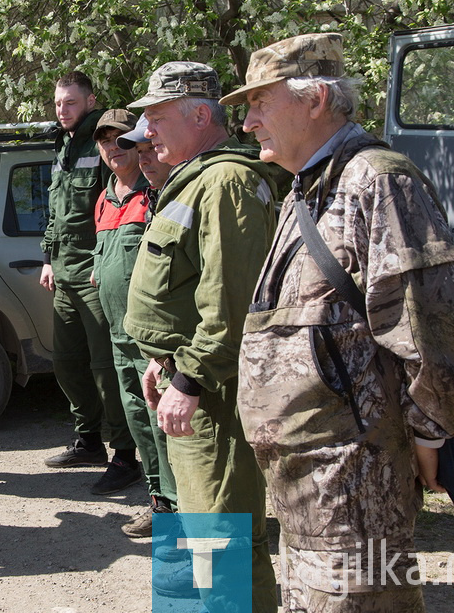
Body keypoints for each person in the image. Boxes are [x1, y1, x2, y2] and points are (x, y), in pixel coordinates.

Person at [222, 32, 454, 612]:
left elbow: (441, 326)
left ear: (315, 100)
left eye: (259, 102)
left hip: (357, 490)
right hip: (308, 489)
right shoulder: (313, 185)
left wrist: (429, 433)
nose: (247, 123)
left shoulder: (377, 180)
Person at [122, 62, 279, 611]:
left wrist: (187, 378)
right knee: (201, 530)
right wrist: (162, 361)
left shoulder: (227, 182)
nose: (149, 131)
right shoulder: (196, 178)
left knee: (225, 535)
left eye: (157, 117)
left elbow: (233, 304)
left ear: (201, 115)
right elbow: (185, 290)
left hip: (213, 392)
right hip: (186, 379)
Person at [41, 71, 138, 495]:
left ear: (90, 100)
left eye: (71, 103)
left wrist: (102, 259)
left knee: (106, 369)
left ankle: (124, 455)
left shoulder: (102, 142)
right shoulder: (63, 144)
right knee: (67, 362)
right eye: (58, 103)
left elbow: (113, 202)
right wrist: (48, 257)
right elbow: (55, 208)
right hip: (63, 272)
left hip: (94, 272)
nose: (62, 111)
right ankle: (88, 440)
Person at [90, 109, 174, 534]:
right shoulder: (105, 197)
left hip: (151, 337)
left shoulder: (157, 190)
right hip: (119, 335)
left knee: (164, 422)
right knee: (139, 421)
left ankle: (179, 506)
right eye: (104, 141)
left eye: (120, 140)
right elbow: (107, 256)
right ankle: (159, 500)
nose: (113, 148)